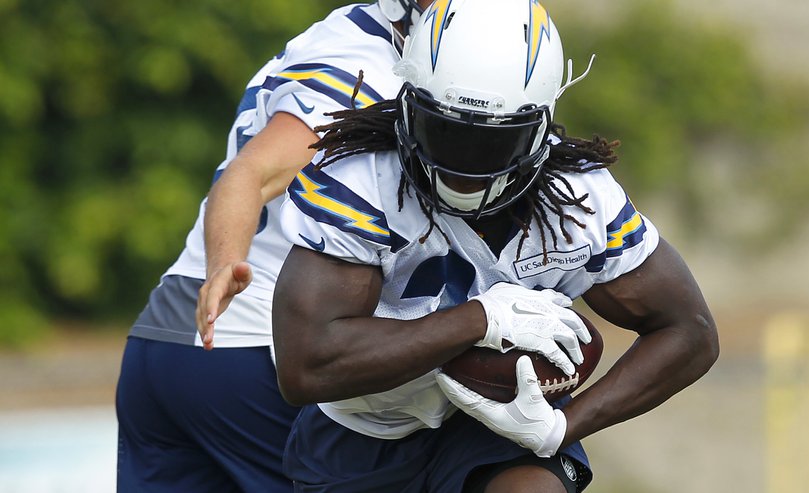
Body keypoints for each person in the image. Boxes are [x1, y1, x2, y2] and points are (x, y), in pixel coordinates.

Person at [271, 0, 720, 491]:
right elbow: (306, 365)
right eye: (443, 131)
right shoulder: (363, 178)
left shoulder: (580, 200)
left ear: (541, 126)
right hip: (366, 431)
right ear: (407, 103)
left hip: (502, 428)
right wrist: (480, 320)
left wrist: (560, 429)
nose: (462, 165)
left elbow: (690, 330)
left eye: (491, 142)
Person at [115, 1, 432, 491]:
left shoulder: (352, 32)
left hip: (168, 336)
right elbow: (253, 173)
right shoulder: (364, 66)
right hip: (249, 346)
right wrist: (226, 265)